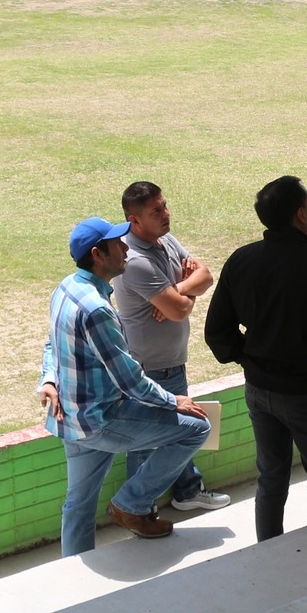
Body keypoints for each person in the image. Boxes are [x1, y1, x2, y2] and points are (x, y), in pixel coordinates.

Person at [39, 216, 211, 556]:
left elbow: (52, 343)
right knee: (196, 428)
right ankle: (130, 504)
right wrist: (172, 401)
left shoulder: (66, 288)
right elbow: (129, 379)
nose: (125, 248)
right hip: (102, 420)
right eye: (118, 244)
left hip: (72, 421)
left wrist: (47, 378)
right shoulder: (97, 309)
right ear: (98, 255)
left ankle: (70, 575)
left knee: (78, 504)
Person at [204, 176, 307, 541]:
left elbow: (217, 332)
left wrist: (247, 358)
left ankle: (267, 552)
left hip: (260, 390)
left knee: (271, 480)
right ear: (300, 214)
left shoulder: (242, 260)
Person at [114, 181, 230, 513]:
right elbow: (178, 309)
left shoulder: (164, 239)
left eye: (164, 206)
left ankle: (186, 490)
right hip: (148, 369)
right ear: (135, 220)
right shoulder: (134, 259)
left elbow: (206, 276)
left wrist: (178, 288)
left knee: (182, 433)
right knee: (143, 444)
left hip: (171, 363)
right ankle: (137, 509)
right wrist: (180, 297)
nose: (166, 214)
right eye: (156, 211)